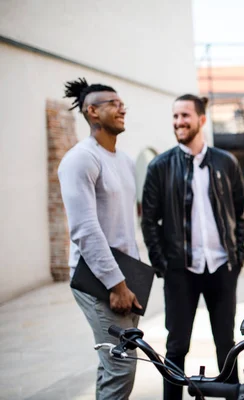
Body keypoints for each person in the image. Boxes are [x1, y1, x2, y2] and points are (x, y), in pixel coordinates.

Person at [141, 94, 244, 400]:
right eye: (175, 117)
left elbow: (239, 213)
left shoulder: (226, 162)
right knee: (176, 347)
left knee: (227, 344)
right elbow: (149, 222)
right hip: (180, 271)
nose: (179, 122)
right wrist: (163, 264)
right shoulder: (160, 167)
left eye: (185, 116)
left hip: (221, 267)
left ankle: (231, 397)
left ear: (201, 120)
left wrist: (238, 256)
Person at [58, 78, 141, 399]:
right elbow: (84, 228)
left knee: (112, 362)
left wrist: (132, 277)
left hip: (126, 274)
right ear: (92, 112)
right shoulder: (80, 159)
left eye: (123, 103)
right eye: (113, 103)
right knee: (121, 364)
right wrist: (115, 284)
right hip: (98, 278)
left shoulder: (125, 161)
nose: (122, 108)